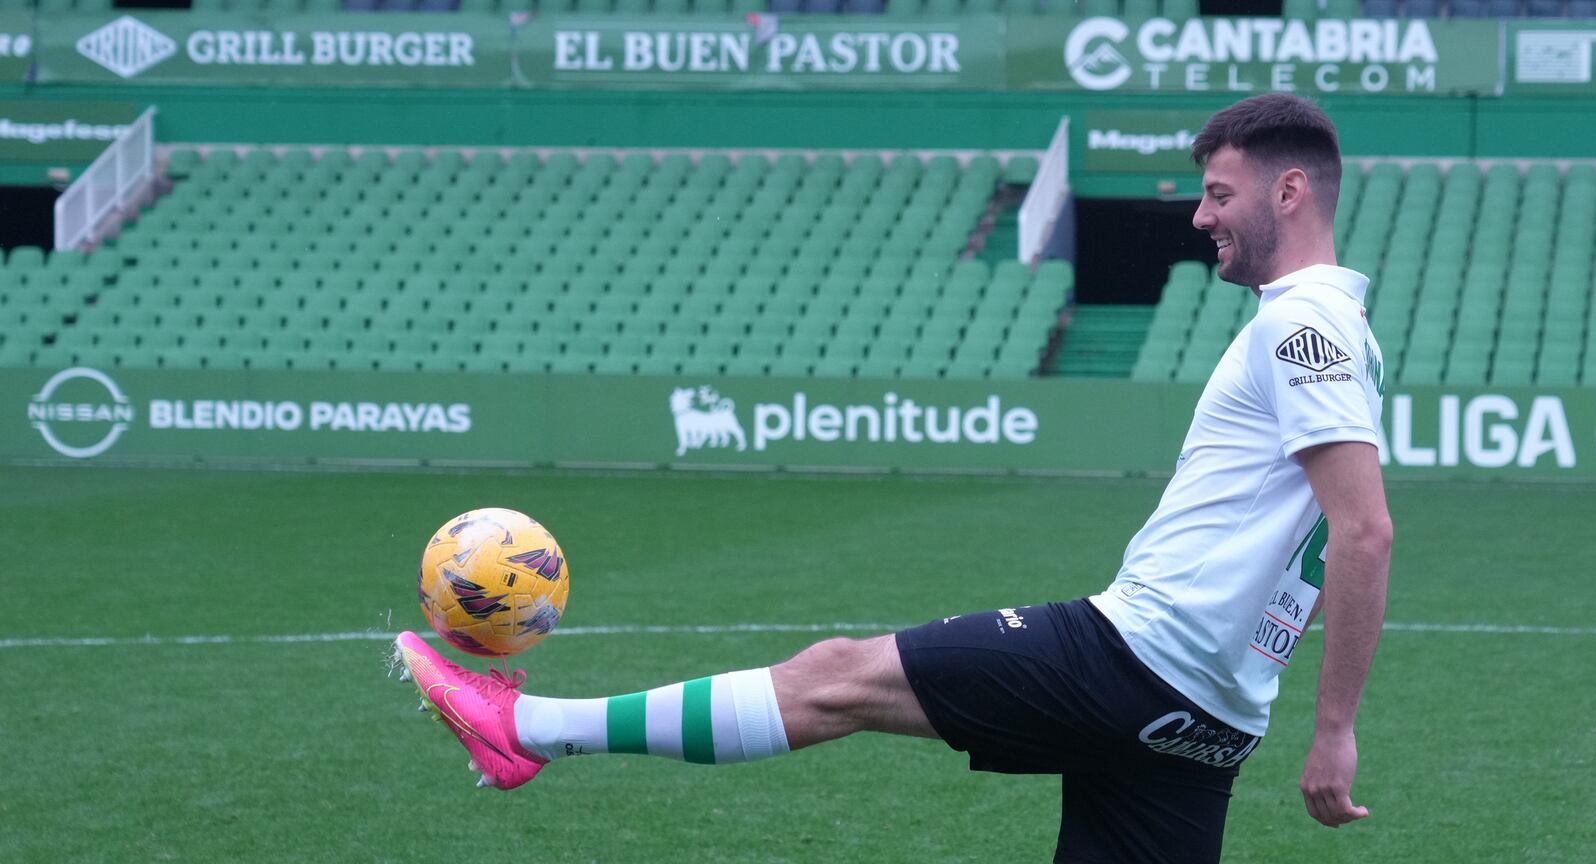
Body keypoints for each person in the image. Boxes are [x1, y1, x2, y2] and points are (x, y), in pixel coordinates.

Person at [392, 92, 1391, 864]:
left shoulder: (1300, 324)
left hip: (1137, 660)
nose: (1199, 217)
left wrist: (1336, 730)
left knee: (836, 678)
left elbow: (1362, 532)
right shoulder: (1340, 331)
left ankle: (525, 729)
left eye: (1218, 194)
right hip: (1207, 718)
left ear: (1288, 190)